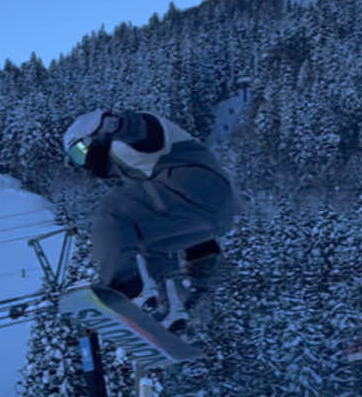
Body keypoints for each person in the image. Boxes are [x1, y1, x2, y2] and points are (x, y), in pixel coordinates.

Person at [62, 109, 237, 331]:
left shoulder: (125, 143)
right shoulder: (134, 175)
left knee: (112, 213)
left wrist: (113, 125)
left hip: (196, 184)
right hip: (213, 212)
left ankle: (123, 290)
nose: (85, 162)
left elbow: (142, 130)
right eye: (77, 160)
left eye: (80, 152)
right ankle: (173, 311)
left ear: (90, 138)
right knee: (147, 244)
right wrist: (203, 262)